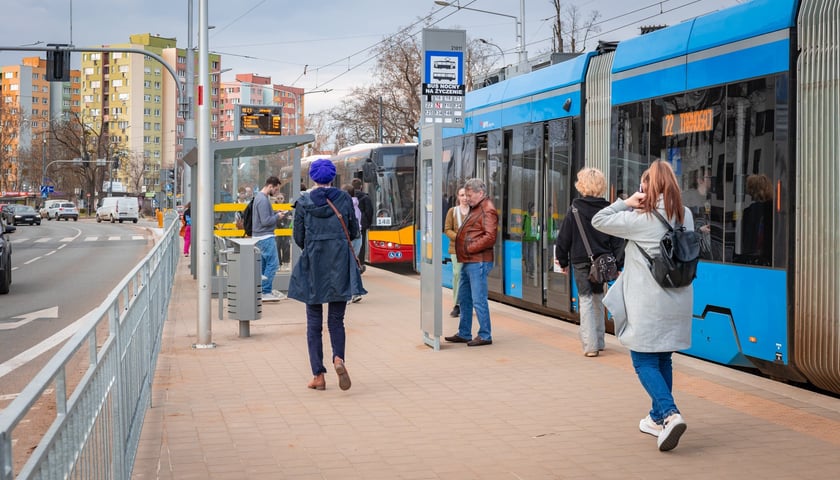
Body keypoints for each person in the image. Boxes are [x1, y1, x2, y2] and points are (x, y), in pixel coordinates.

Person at [591, 159, 693, 452]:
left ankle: (670, 414)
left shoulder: (641, 219)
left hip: (649, 304)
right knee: (663, 359)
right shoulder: (685, 215)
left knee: (643, 360)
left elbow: (599, 220)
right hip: (679, 297)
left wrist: (626, 202)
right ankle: (656, 418)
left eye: (644, 183)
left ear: (648, 186)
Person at [288, 159, 366, 391]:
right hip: (339, 262)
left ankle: (318, 376)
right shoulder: (344, 199)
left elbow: (298, 237)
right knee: (336, 319)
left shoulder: (303, 202)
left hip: (314, 263)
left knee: (313, 322)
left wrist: (313, 245)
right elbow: (354, 231)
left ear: (313, 178)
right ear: (333, 178)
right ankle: (338, 359)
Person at [554, 168, 624, 357]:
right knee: (598, 298)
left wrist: (562, 261)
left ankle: (590, 346)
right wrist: (618, 264)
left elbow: (563, 239)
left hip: (580, 262)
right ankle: (600, 341)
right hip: (601, 263)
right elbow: (618, 240)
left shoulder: (574, 209)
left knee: (585, 300)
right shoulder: (608, 210)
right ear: (601, 186)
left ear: (582, 186)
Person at [444, 178, 498, 347]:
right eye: (465, 195)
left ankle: (485, 335)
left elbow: (490, 237)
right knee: (464, 298)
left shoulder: (488, 210)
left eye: (469, 195)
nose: (466, 198)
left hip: (478, 261)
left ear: (480, 193)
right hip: (468, 260)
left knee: (478, 299)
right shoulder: (477, 208)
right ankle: (464, 332)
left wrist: (469, 248)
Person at [252, 176, 285, 302]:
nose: (276, 192)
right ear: (270, 186)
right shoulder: (263, 200)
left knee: (264, 265)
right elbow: (265, 221)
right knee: (273, 264)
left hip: (259, 236)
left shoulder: (259, 198)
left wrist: (275, 213)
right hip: (265, 236)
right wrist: (278, 216)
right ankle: (265, 291)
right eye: (276, 189)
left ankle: (262, 290)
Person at [444, 187, 469, 318]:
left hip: (472, 250)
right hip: (456, 249)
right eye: (462, 195)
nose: (464, 198)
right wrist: (459, 237)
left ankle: (468, 304)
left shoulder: (474, 211)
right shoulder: (452, 211)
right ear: (458, 197)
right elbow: (447, 229)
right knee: (458, 274)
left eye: (466, 195)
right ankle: (457, 305)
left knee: (471, 277)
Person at [739, 173, 773, 266]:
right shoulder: (775, 211)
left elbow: (745, 239)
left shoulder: (748, 211)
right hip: (769, 256)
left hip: (753, 257)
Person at [342, 183, 364, 303]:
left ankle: (352, 293)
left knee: (347, 265)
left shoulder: (345, 205)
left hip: (349, 236)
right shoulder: (357, 205)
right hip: (358, 236)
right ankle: (355, 292)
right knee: (353, 264)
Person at [351, 178, 373, 272]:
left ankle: (352, 263)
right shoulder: (365, 198)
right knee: (361, 245)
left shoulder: (347, 197)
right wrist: (368, 223)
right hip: (362, 225)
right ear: (361, 187)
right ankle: (360, 264)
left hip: (350, 224)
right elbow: (369, 212)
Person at [274, 193, 291, 270]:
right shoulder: (273, 207)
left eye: (281, 198)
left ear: (284, 199)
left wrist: (286, 226)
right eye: (278, 198)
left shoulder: (287, 207)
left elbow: (290, 218)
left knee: (286, 245)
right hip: (277, 230)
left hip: (285, 229)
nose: (280, 200)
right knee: (277, 246)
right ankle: (278, 264)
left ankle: (286, 263)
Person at [522, 202, 539, 279]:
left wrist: (537, 238)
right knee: (526, 255)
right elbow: (521, 226)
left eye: (535, 208)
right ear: (529, 209)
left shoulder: (534, 218)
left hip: (532, 240)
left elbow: (537, 229)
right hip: (525, 240)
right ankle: (528, 270)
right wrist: (523, 232)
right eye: (533, 208)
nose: (534, 210)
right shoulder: (525, 216)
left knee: (531, 256)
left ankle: (531, 272)